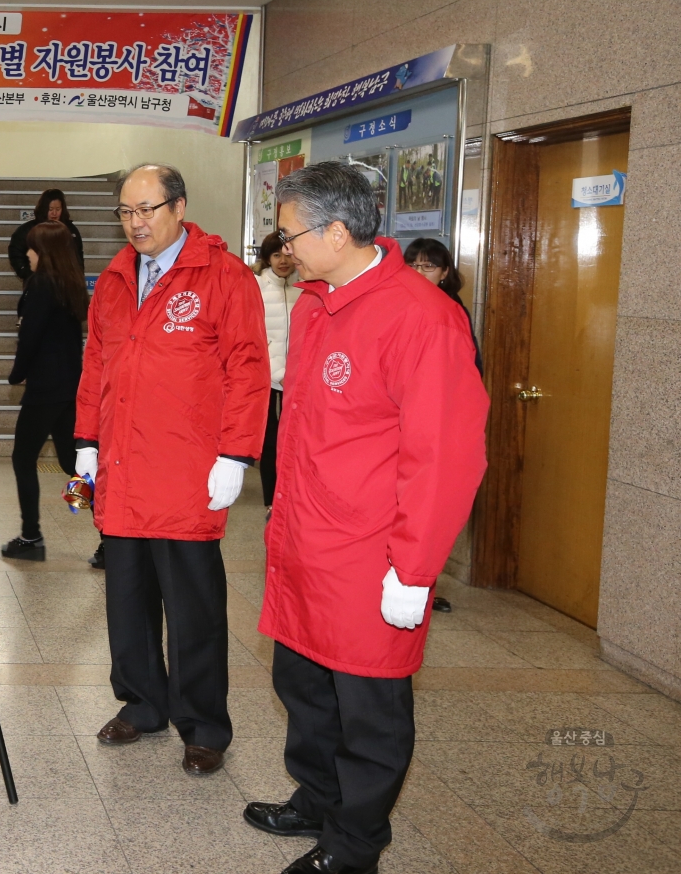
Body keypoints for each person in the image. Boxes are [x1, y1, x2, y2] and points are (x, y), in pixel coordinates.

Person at [245, 162, 487, 874]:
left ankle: (354, 845)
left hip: (369, 558)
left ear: (338, 230)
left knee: (369, 713)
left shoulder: (422, 317)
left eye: (290, 234)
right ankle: (317, 800)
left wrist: (413, 570)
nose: (283, 248)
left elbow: (443, 458)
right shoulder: (314, 305)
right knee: (304, 688)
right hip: (305, 544)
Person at [76, 164, 269, 775]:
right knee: (127, 599)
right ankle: (141, 703)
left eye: (147, 209)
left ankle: (203, 724)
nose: (136, 223)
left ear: (179, 207)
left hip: (189, 473)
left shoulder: (223, 277)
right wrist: (85, 442)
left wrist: (236, 454)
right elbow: (95, 368)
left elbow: (248, 371)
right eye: (126, 212)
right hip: (124, 468)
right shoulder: (112, 279)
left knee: (194, 608)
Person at [1, 221, 87, 561]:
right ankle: (110, 534)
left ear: (45, 252)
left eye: (32, 248)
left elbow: (31, 336)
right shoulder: (70, 283)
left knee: (23, 459)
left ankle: (31, 535)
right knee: (72, 462)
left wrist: (16, 374)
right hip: (69, 385)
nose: (27, 253)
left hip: (45, 387)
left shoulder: (41, 285)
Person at [255, 231, 300, 513]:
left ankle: (291, 498)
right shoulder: (256, 288)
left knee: (293, 440)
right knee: (270, 443)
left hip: (295, 378)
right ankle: (271, 502)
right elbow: (257, 340)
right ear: (267, 258)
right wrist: (278, 372)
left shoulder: (303, 290)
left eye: (287, 254)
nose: (283, 261)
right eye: (276, 255)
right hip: (267, 379)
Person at [404, 237, 481, 371]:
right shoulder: (398, 306)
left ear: (444, 272)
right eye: (412, 266)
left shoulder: (454, 311)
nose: (418, 272)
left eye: (428, 266)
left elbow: (471, 364)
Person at [8, 188, 86, 281]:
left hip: (65, 284)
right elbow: (15, 251)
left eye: (58, 209)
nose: (54, 213)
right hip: (37, 283)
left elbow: (78, 255)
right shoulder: (29, 229)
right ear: (44, 209)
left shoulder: (70, 230)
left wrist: (78, 275)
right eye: (51, 209)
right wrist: (26, 272)